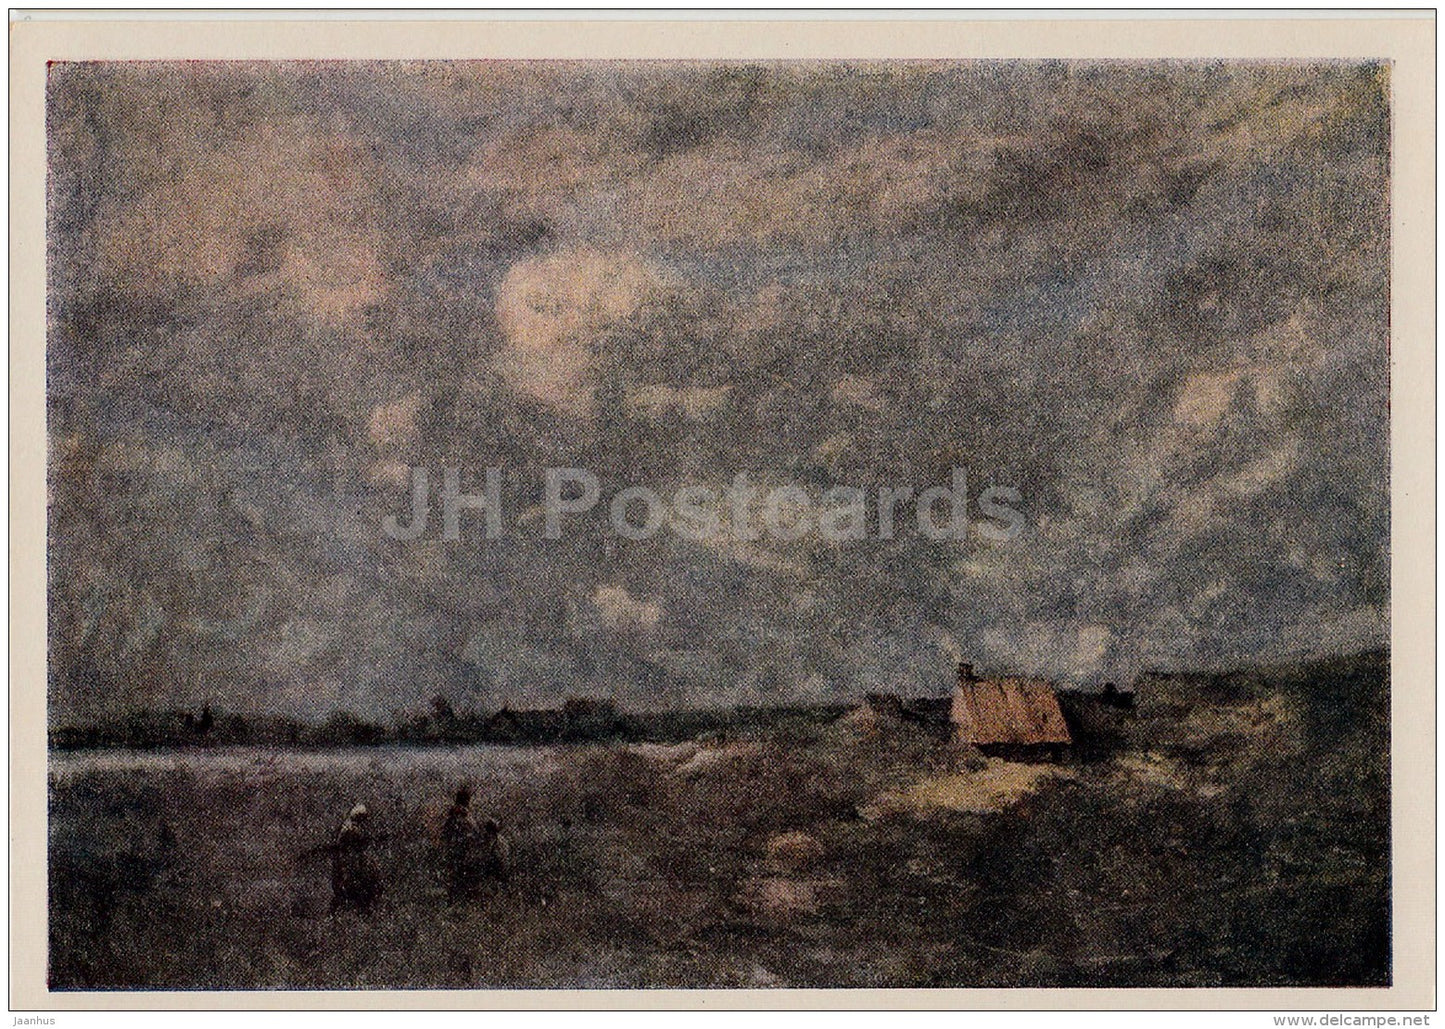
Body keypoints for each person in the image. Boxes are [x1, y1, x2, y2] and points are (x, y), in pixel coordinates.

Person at [330, 803, 382, 913]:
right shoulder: (350, 828)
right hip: (349, 858)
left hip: (351, 857)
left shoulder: (350, 827)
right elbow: (354, 843)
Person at [440, 785, 482, 900]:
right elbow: (474, 835)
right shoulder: (465, 818)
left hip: (455, 853)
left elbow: (446, 835)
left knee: (456, 880)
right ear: (467, 801)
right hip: (464, 853)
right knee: (462, 880)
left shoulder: (453, 817)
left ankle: (456, 898)